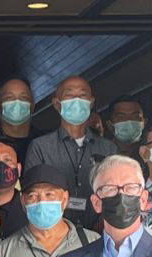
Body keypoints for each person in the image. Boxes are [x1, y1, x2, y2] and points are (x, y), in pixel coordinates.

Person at [24, 75, 116, 229]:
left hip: (99, 234)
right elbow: (31, 195)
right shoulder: (40, 147)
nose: (76, 100)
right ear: (56, 103)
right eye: (69, 95)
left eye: (82, 95)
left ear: (91, 102)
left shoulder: (108, 149)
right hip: (54, 234)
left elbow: (115, 195)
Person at [0, 76, 43, 162]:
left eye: (24, 98)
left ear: (32, 106)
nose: (17, 102)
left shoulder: (44, 143)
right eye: (9, 98)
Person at [105, 94, 146, 161]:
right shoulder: (102, 151)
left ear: (144, 122)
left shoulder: (151, 152)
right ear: (109, 125)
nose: (129, 121)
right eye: (121, 117)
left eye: (135, 117)